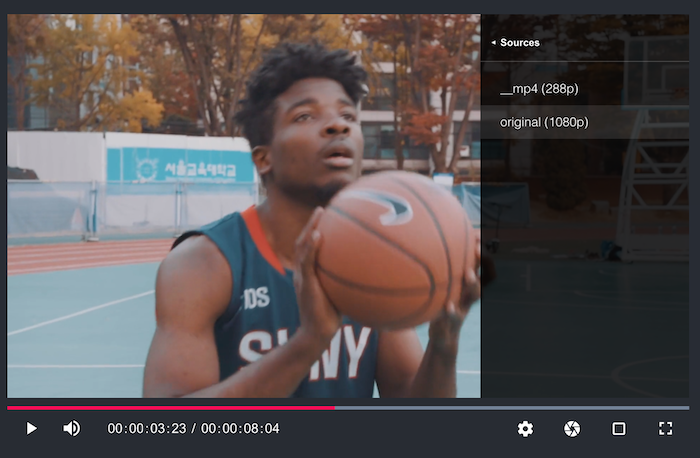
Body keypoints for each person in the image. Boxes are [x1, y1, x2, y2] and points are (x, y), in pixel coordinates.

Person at [142, 42, 483, 398]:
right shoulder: (203, 264)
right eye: (305, 116)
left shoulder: (378, 259)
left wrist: (444, 344)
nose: (338, 126)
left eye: (348, 116)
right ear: (264, 159)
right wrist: (310, 341)